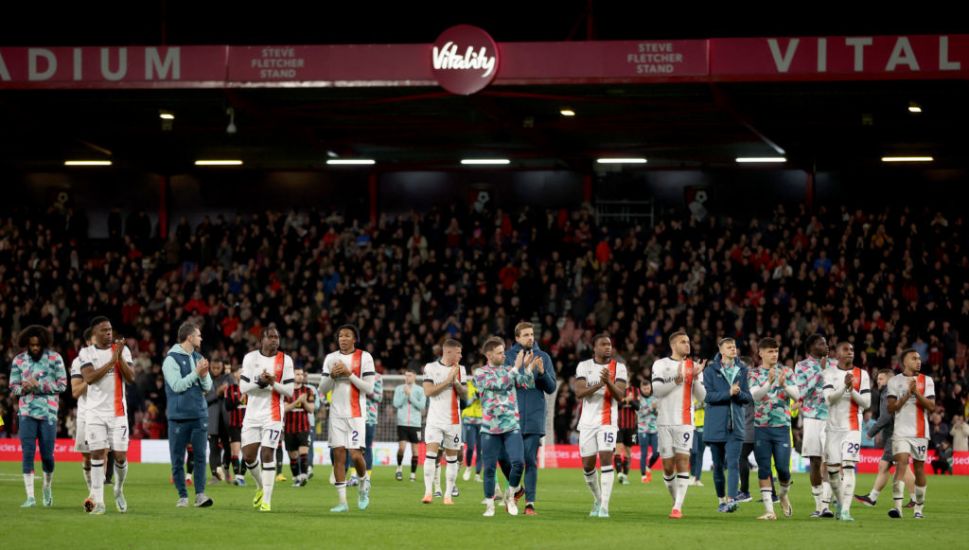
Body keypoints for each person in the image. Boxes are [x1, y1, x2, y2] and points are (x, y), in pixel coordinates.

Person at [79, 316, 135, 515]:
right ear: (95, 334)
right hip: (95, 413)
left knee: (120, 456)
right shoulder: (86, 353)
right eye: (104, 330)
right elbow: (90, 378)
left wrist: (118, 357)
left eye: (110, 329)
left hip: (118, 413)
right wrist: (112, 361)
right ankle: (99, 502)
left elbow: (131, 377)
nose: (109, 333)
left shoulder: (123, 351)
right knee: (96, 454)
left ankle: (119, 489)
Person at [474, 336, 534, 517]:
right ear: (489, 354)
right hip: (490, 427)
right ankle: (490, 505)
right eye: (500, 353)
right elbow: (499, 385)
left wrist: (528, 369)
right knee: (490, 468)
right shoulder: (480, 373)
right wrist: (516, 369)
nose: (504, 356)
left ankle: (511, 495)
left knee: (518, 462)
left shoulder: (509, 369)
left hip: (510, 424)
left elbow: (527, 384)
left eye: (504, 352)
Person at [318, 324, 375, 512]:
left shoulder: (365, 357)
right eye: (340, 335)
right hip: (336, 414)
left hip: (356, 414)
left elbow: (369, 388)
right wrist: (332, 377)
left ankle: (363, 485)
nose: (342, 338)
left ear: (354, 339)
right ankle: (342, 502)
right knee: (338, 456)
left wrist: (349, 374)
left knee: (355, 455)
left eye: (347, 335)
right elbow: (322, 389)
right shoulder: (330, 358)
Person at [651, 331, 707, 519]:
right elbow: (657, 390)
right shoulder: (660, 365)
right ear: (673, 345)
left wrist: (697, 378)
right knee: (668, 467)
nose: (687, 345)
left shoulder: (694, 367)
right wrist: (677, 380)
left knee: (683, 461)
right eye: (683, 342)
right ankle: (676, 501)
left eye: (688, 341)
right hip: (664, 421)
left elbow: (702, 397)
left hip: (684, 421)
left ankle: (677, 507)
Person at [11, 325, 67, 508]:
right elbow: (13, 386)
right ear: (26, 344)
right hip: (26, 412)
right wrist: (24, 388)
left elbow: (63, 384)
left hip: (48, 413)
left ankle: (47, 486)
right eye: (31, 345)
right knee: (27, 453)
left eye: (38, 344)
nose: (35, 348)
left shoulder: (55, 358)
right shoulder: (19, 360)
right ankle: (30, 497)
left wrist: (39, 385)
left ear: (43, 343)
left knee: (47, 457)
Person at [504, 322, 556, 515]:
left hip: (534, 415)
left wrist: (542, 373)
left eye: (532, 334)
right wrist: (521, 368)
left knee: (530, 460)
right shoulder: (508, 357)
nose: (530, 338)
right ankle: (516, 490)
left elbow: (551, 388)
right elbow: (505, 383)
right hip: (510, 416)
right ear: (517, 338)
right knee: (508, 459)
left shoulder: (544, 357)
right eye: (526, 335)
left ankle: (530, 503)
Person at [240, 327, 295, 512]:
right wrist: (259, 383)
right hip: (252, 414)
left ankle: (267, 501)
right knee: (248, 456)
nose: (274, 340)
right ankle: (261, 486)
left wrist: (272, 382)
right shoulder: (250, 358)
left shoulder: (285, 361)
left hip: (273, 415)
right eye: (270, 337)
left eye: (277, 337)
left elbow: (289, 391)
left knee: (267, 454)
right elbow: (243, 388)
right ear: (261, 340)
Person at [574, 333, 628, 518]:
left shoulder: (619, 368)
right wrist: (599, 385)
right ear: (594, 347)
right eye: (603, 344)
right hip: (587, 423)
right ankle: (597, 499)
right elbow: (579, 392)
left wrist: (608, 383)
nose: (608, 347)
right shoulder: (584, 366)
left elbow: (620, 396)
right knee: (587, 466)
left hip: (607, 422)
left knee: (606, 459)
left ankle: (604, 506)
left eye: (610, 344)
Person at [163, 321, 215, 508]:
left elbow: (208, 387)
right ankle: (182, 496)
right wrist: (196, 373)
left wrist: (203, 374)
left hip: (199, 414)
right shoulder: (171, 359)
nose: (201, 338)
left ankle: (200, 494)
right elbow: (177, 386)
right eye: (198, 335)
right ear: (189, 337)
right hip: (178, 416)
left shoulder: (199, 357)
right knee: (177, 458)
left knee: (200, 456)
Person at [749, 337, 799, 520]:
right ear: (760, 353)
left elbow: (798, 395)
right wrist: (769, 383)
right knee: (764, 468)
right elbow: (755, 396)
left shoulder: (787, 371)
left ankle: (783, 494)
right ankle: (770, 511)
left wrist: (784, 384)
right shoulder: (753, 374)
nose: (774, 354)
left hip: (781, 427)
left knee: (783, 469)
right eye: (770, 351)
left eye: (776, 351)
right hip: (761, 427)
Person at [822, 341, 870, 521]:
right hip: (832, 428)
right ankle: (841, 502)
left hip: (852, 427)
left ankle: (845, 511)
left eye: (852, 349)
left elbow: (866, 403)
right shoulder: (829, 373)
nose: (850, 352)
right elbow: (828, 400)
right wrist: (844, 387)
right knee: (833, 472)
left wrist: (852, 390)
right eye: (845, 349)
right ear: (837, 353)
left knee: (849, 468)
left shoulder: (862, 374)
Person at [703, 337, 752, 513]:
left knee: (733, 463)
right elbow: (707, 397)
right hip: (715, 425)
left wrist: (738, 394)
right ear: (721, 350)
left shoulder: (743, 370)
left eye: (735, 346)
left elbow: (748, 398)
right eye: (729, 347)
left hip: (735, 425)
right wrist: (728, 392)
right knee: (717, 466)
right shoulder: (710, 371)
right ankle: (721, 499)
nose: (733, 349)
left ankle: (731, 500)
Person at [855, 368, 916, 508]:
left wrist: (871, 432)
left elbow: (886, 416)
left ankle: (915, 498)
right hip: (900, 433)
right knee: (885, 465)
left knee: (902, 467)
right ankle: (872, 497)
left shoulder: (888, 391)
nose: (878, 382)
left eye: (881, 379)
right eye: (877, 380)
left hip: (896, 435)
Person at [886, 348, 935, 519]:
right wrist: (907, 395)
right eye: (914, 358)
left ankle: (918, 509)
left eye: (919, 358)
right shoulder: (893, 381)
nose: (918, 361)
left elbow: (931, 406)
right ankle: (897, 508)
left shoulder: (927, 381)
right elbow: (890, 408)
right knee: (901, 464)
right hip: (900, 432)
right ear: (904, 362)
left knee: (919, 469)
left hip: (920, 432)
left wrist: (916, 393)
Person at [421, 338, 467, 504]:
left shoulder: (460, 369)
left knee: (452, 459)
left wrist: (455, 382)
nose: (461, 355)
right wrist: (447, 381)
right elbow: (428, 392)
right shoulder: (430, 368)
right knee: (431, 455)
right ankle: (428, 493)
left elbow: (465, 394)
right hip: (434, 419)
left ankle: (448, 495)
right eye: (459, 352)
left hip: (453, 421)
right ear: (448, 352)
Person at [794, 334, 834, 518]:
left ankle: (826, 505)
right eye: (821, 343)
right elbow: (802, 392)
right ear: (811, 347)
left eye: (825, 342)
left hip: (833, 418)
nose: (826, 345)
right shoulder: (801, 366)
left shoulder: (835, 364)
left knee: (831, 461)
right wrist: (821, 372)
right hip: (811, 418)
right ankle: (818, 505)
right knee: (815, 462)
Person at [71, 328, 95, 508]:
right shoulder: (78, 362)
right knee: (86, 457)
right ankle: (92, 491)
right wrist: (93, 378)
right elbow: (76, 391)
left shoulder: (110, 361)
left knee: (101, 454)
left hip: (107, 413)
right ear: (88, 342)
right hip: (85, 414)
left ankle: (94, 496)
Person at [284, 366, 316, 487]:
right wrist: (297, 401)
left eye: (301, 374)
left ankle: (303, 477)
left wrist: (304, 402)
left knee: (303, 453)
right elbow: (285, 409)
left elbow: (311, 409)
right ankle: (296, 478)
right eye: (297, 374)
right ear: (292, 376)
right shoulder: (287, 391)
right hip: (289, 428)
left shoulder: (308, 391)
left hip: (303, 427)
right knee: (293, 456)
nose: (300, 376)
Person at [393, 369, 425, 482]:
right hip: (402, 423)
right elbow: (396, 404)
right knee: (402, 448)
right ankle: (399, 469)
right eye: (406, 376)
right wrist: (404, 395)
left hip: (415, 424)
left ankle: (412, 474)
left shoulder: (420, 390)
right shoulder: (399, 389)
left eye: (410, 375)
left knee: (415, 451)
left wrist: (410, 395)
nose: (407, 378)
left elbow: (421, 405)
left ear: (415, 376)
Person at [205, 358, 231, 484]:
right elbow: (204, 400)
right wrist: (218, 393)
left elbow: (235, 395)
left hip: (227, 419)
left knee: (229, 448)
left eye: (218, 368)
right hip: (212, 420)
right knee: (214, 448)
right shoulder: (205, 379)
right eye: (213, 368)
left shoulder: (228, 378)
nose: (215, 370)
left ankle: (226, 470)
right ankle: (215, 475)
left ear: (222, 367)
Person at [224, 363, 248, 485]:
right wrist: (239, 400)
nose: (243, 374)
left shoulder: (251, 389)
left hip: (248, 425)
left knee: (247, 453)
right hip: (234, 424)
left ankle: (241, 477)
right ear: (235, 374)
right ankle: (238, 477)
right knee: (235, 452)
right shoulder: (231, 389)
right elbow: (228, 407)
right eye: (241, 372)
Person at [616, 379, 641, 486]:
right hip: (618, 426)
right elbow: (617, 406)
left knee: (628, 452)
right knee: (618, 449)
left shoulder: (636, 391)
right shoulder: (616, 390)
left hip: (631, 427)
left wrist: (630, 401)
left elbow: (638, 406)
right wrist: (626, 400)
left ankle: (625, 476)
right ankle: (619, 474)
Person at [637, 379, 660, 483]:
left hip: (654, 429)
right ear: (641, 389)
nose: (646, 390)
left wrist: (655, 410)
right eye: (644, 388)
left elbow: (657, 413)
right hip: (643, 430)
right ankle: (643, 476)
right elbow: (640, 413)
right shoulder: (639, 399)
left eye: (648, 388)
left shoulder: (655, 398)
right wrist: (652, 408)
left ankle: (648, 466)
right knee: (644, 454)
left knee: (657, 452)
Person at [461, 374, 483, 483]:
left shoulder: (486, 386)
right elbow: (465, 404)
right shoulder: (466, 386)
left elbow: (489, 404)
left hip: (482, 421)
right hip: (469, 420)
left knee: (481, 449)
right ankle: (468, 467)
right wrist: (474, 397)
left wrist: (482, 397)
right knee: (470, 447)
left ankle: (478, 474)